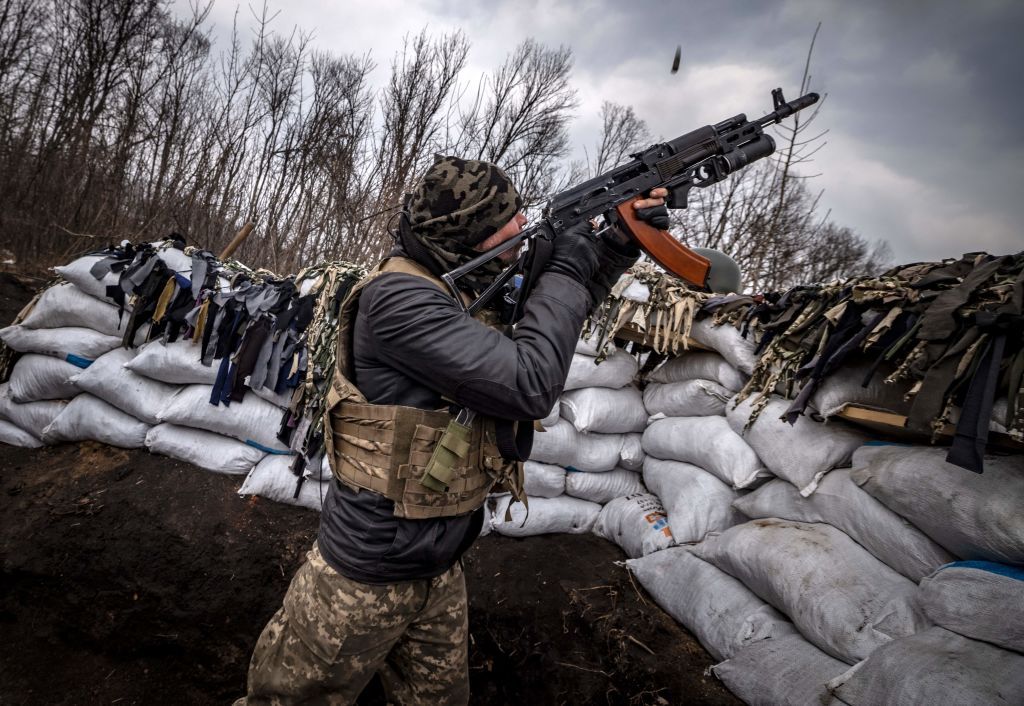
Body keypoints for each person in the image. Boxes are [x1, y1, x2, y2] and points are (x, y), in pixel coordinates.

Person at [236, 156, 668, 705]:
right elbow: (529, 380)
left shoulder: (464, 288)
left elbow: (553, 315)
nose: (519, 233)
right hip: (363, 579)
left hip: (438, 571)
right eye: (503, 226)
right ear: (462, 237)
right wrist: (565, 269)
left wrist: (612, 248)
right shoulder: (397, 299)